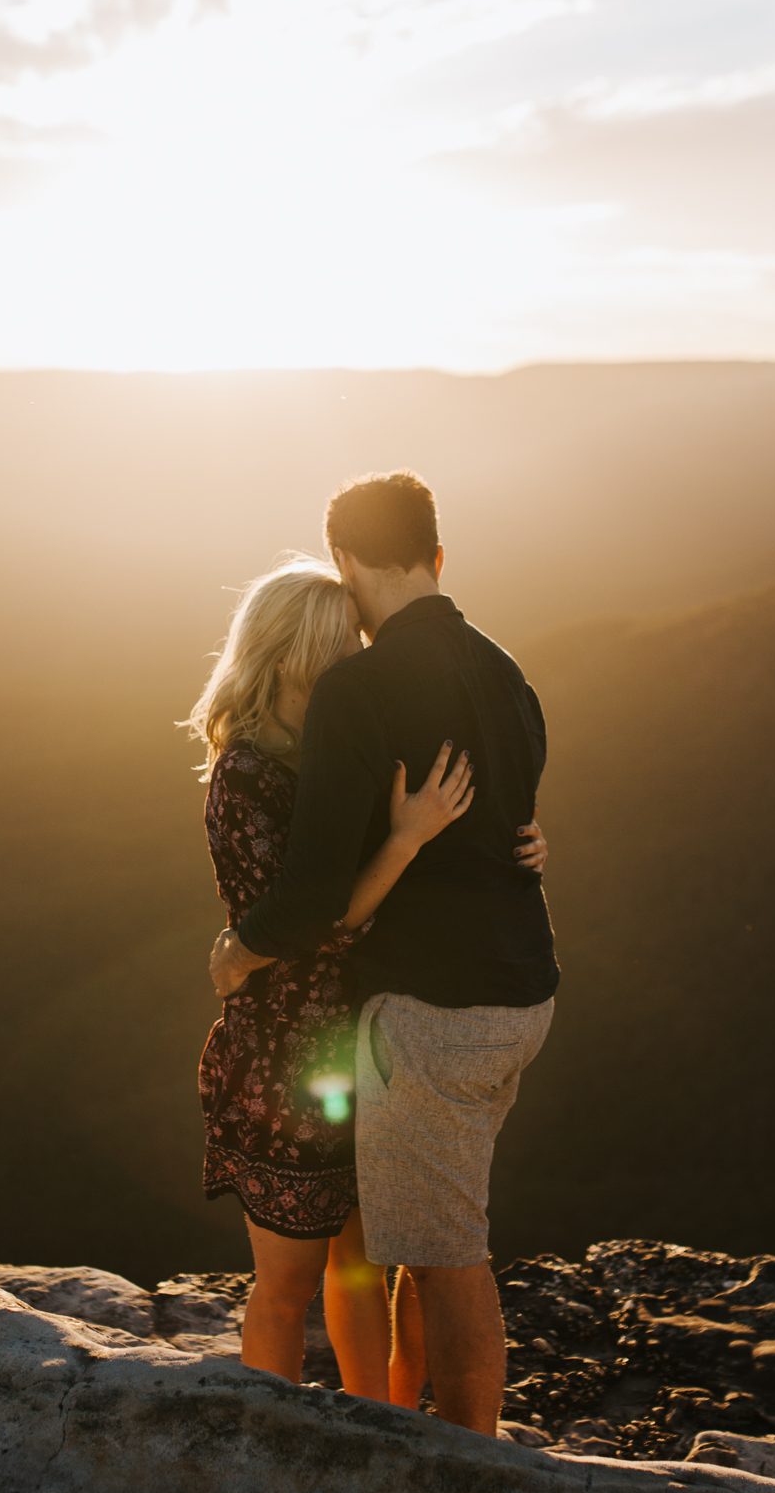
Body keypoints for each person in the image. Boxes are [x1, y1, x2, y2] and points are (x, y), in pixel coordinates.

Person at [210, 473, 558, 1436]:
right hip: (523, 992)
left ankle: (469, 1467)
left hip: (434, 1015)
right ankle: (404, 1426)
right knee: (413, 1237)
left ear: (347, 566)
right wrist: (524, 844)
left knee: (443, 1255)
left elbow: (315, 896)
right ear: (437, 560)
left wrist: (239, 950)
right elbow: (514, 806)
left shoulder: (362, 693)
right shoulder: (503, 669)